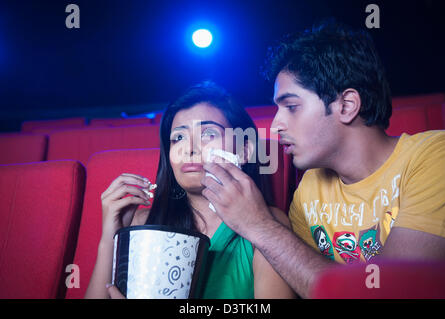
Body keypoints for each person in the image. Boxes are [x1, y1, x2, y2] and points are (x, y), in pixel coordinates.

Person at [200, 21, 445, 298]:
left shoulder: (436, 156)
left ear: (346, 105)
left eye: (292, 107)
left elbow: (391, 292)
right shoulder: (311, 187)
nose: (276, 125)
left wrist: (258, 224)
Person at [85, 81, 296, 299]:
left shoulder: (269, 223)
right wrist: (111, 238)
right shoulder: (142, 223)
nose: (190, 148)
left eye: (208, 134)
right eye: (178, 137)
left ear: (244, 150)